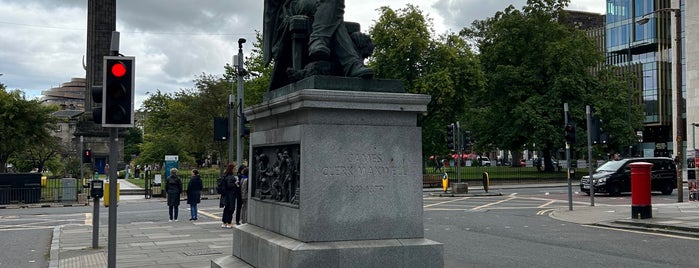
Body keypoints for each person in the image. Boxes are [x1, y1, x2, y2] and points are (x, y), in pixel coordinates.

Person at [263, 0, 373, 89]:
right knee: (332, 11)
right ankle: (352, 64)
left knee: (331, 9)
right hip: (293, 5)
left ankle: (318, 40)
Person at [220, 163, 239, 228]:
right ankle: (229, 222)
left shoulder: (225, 176)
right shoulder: (231, 177)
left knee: (226, 208)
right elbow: (229, 185)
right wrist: (235, 183)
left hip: (225, 195)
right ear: (232, 169)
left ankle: (224, 222)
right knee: (231, 208)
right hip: (231, 195)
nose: (235, 170)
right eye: (234, 168)